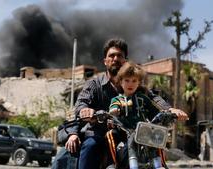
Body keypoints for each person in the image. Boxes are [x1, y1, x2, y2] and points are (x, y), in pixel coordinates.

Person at [64, 38, 188, 169]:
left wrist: (170, 110)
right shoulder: (94, 84)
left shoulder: (134, 85)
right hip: (101, 133)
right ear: (105, 61)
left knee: (154, 151)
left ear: (125, 61)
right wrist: (85, 110)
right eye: (111, 56)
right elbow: (81, 104)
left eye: (120, 56)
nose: (115, 58)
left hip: (133, 133)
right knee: (90, 146)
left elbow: (152, 98)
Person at [108, 61, 179, 169]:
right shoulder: (118, 99)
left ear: (138, 82)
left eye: (134, 81)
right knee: (131, 141)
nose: (130, 84)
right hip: (126, 131)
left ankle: (158, 165)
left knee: (155, 143)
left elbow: (154, 112)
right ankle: (133, 165)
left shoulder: (143, 98)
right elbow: (113, 108)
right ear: (121, 81)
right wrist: (115, 110)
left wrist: (165, 115)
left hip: (144, 130)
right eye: (127, 80)